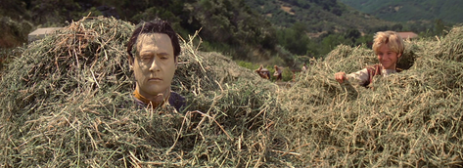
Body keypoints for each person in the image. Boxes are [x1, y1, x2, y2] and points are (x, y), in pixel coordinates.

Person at [126, 19, 185, 112]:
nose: (154, 67)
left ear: (176, 62)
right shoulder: (113, 115)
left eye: (163, 58)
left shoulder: (192, 112)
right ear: (131, 62)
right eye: (146, 57)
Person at [334, 31, 404, 87]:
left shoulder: (403, 75)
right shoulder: (372, 72)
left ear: (398, 54)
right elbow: (355, 78)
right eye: (380, 53)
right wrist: (343, 76)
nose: (384, 58)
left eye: (389, 53)